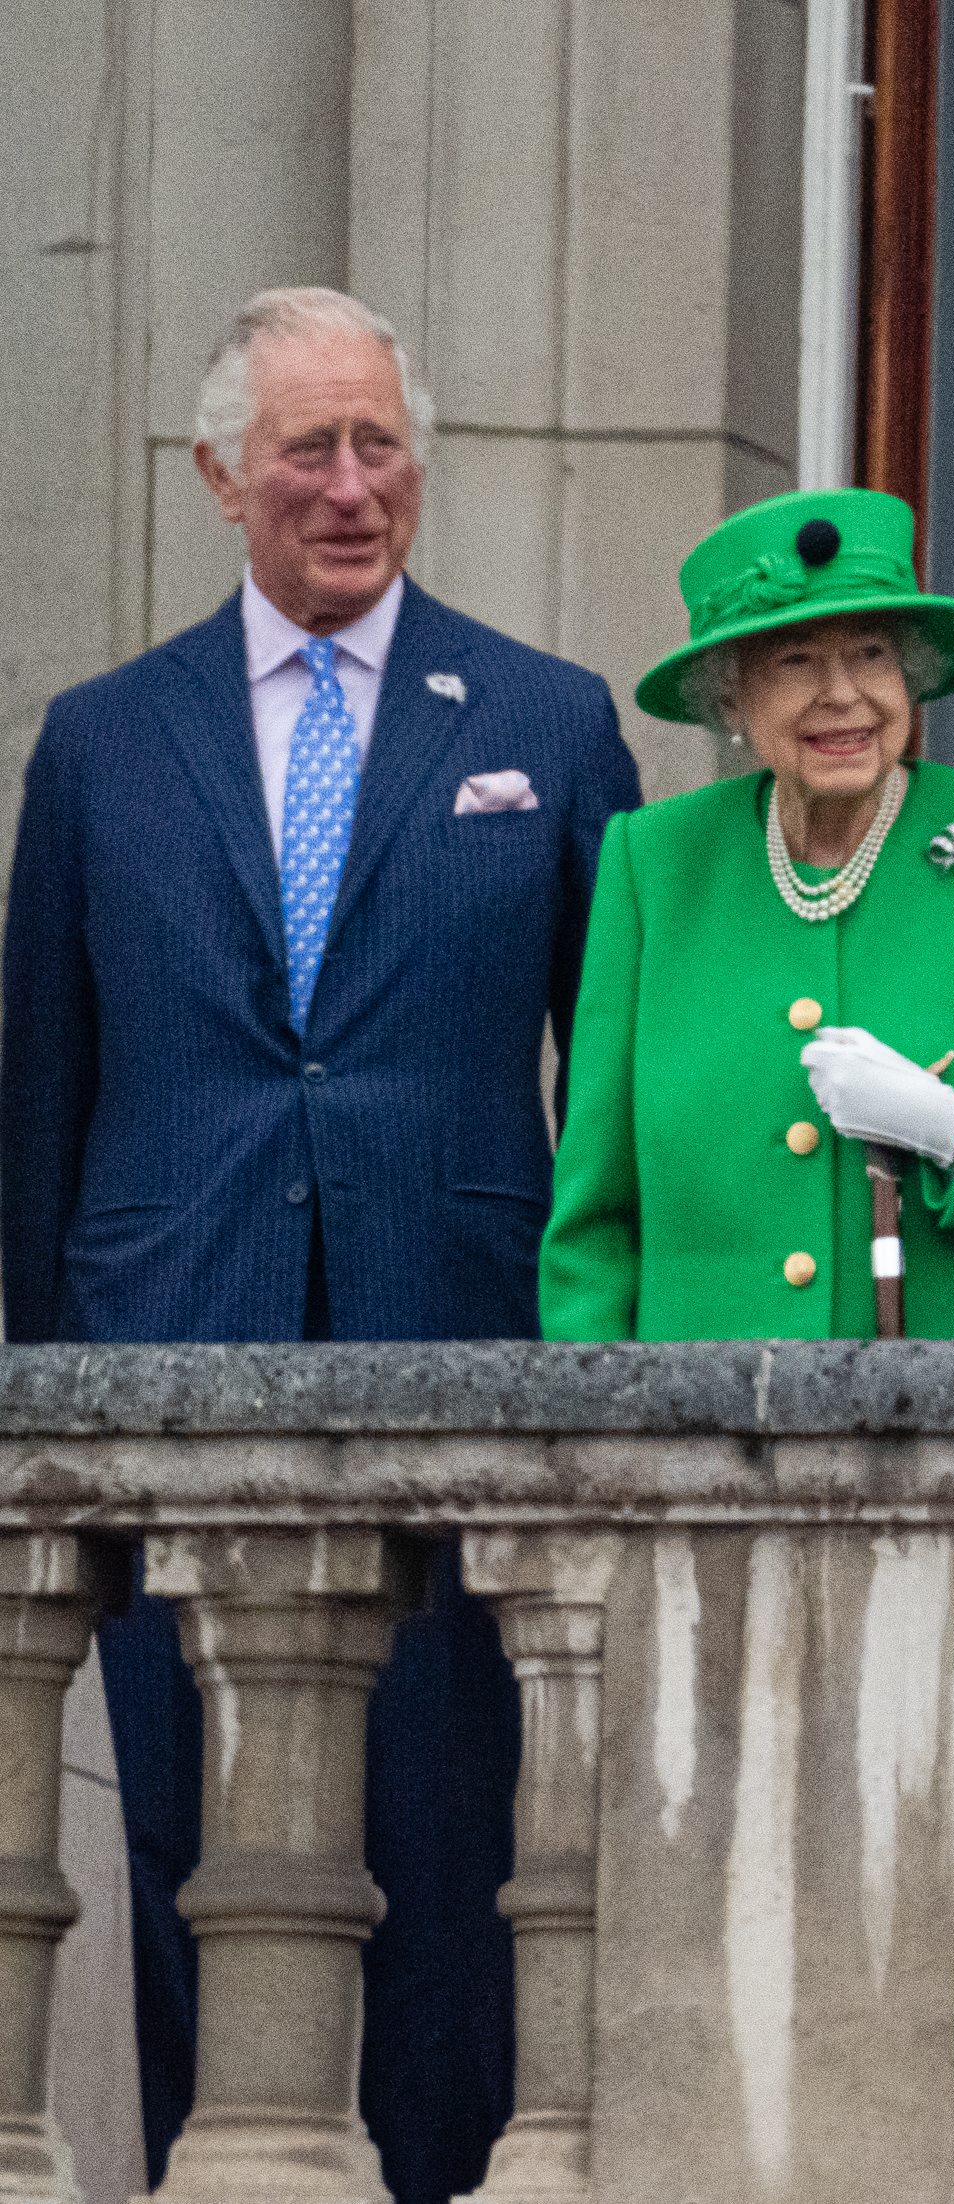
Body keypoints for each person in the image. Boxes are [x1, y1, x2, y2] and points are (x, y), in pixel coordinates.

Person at [0, 287, 643, 2203]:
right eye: (309, 448)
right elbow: (42, 1084)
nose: (351, 486)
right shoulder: (103, 743)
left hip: (456, 1352)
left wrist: (602, 1369)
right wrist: (40, 1396)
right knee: (207, 1853)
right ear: (223, 476)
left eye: (380, 445)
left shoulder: (545, 719)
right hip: (163, 1354)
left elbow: (607, 1073)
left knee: (447, 1854)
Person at [541, 487, 954, 1341]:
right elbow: (594, 1221)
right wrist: (604, 1440)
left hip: (943, 1435)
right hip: (698, 1432)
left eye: (871, 654)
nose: (844, 695)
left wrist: (950, 1127)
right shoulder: (655, 863)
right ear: (731, 697)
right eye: (796, 660)